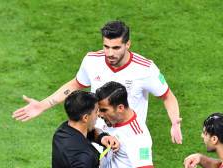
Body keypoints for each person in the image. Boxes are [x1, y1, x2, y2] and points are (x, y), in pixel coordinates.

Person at [12, 20, 183, 145]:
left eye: (116, 48)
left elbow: (168, 96)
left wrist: (174, 122)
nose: (109, 53)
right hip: (96, 136)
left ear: (128, 44)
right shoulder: (92, 61)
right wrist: (42, 105)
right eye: (106, 46)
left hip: (129, 141)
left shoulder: (145, 69)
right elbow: (75, 85)